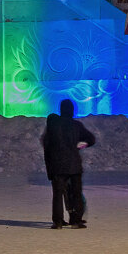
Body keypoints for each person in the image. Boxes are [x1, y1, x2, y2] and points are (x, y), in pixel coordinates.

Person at [41, 98, 96, 229]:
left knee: (58, 195)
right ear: (72, 110)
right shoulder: (76, 125)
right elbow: (91, 139)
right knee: (76, 193)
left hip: (58, 165)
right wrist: (81, 144)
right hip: (74, 165)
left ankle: (58, 222)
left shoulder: (53, 126)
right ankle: (76, 221)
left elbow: (46, 145)